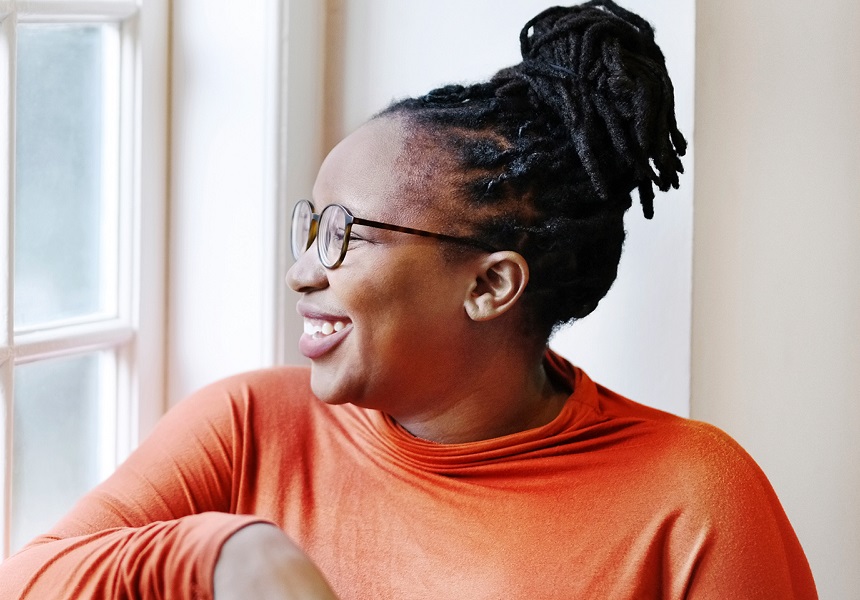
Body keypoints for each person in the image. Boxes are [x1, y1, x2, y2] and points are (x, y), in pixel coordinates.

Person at [1, 1, 817, 598]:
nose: (302, 273)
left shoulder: (695, 500)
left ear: (491, 284)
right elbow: (33, 580)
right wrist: (230, 554)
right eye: (310, 227)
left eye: (346, 235)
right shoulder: (251, 426)